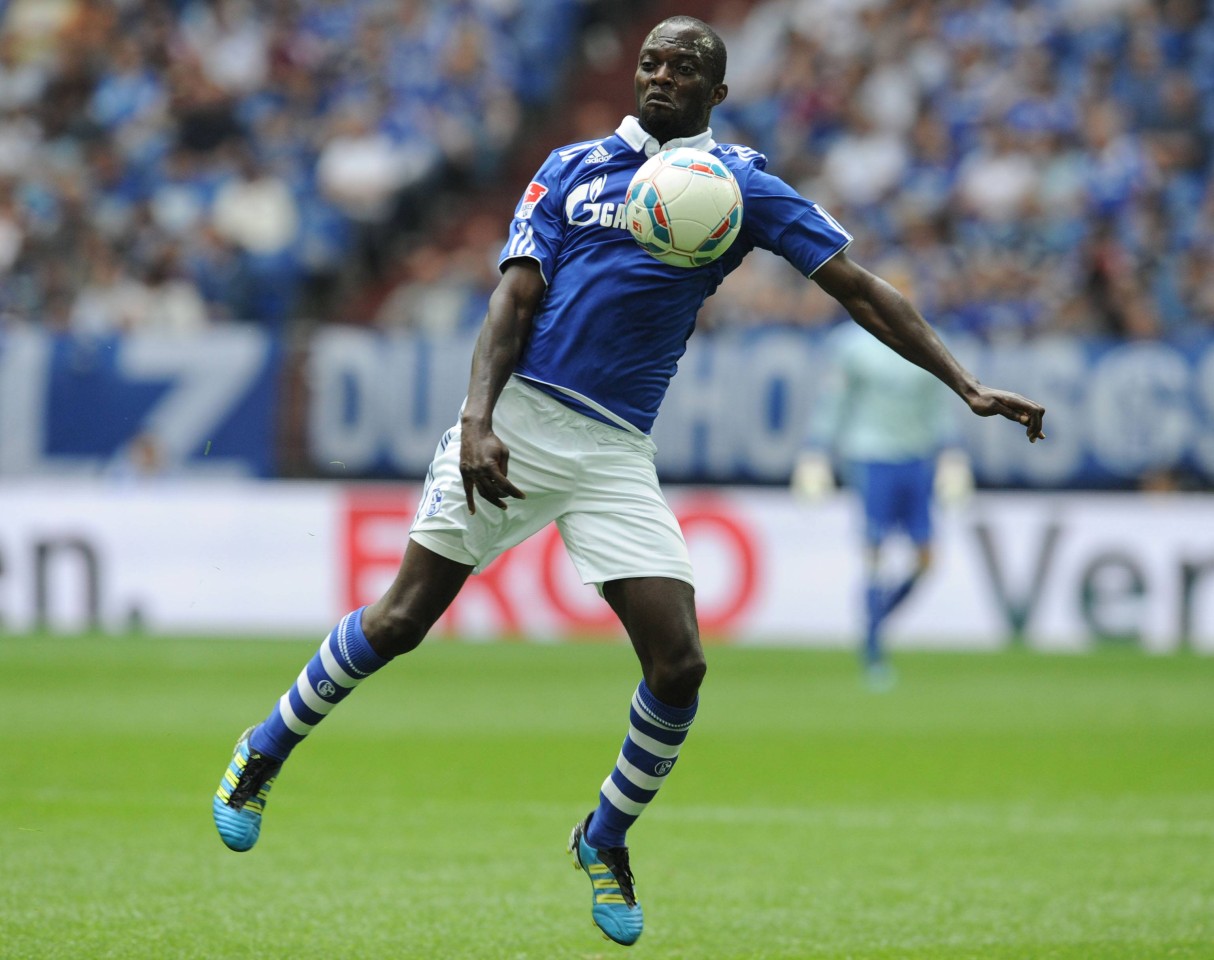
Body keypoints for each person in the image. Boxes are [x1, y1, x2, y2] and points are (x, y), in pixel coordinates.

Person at [212, 16, 1045, 948]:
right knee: (403, 620)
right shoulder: (571, 167)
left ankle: (603, 836)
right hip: (520, 419)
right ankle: (263, 750)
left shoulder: (739, 188)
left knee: (680, 664)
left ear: (716, 92)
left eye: (683, 67)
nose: (658, 76)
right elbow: (513, 298)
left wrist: (965, 383)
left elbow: (856, 286)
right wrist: (480, 420)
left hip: (613, 452)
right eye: (649, 61)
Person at [793, 310, 974, 688]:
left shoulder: (930, 339)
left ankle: (875, 622)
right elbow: (834, 401)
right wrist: (816, 449)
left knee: (926, 559)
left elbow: (939, 404)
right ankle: (874, 650)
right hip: (871, 454)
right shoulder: (852, 344)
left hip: (917, 456)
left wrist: (952, 451)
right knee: (874, 551)